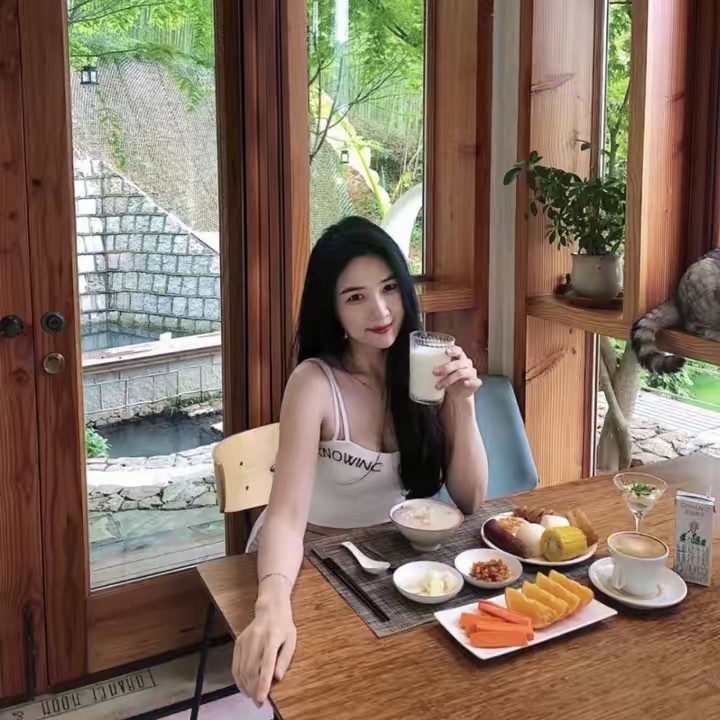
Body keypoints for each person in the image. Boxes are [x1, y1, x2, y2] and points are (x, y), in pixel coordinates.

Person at [232, 216, 488, 705]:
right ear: (332, 310)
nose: (381, 310)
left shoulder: (423, 366)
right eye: (355, 297)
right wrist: (272, 604)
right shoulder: (314, 384)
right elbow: (286, 517)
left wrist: (463, 404)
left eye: (389, 288)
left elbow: (471, 499)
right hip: (304, 558)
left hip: (384, 556)